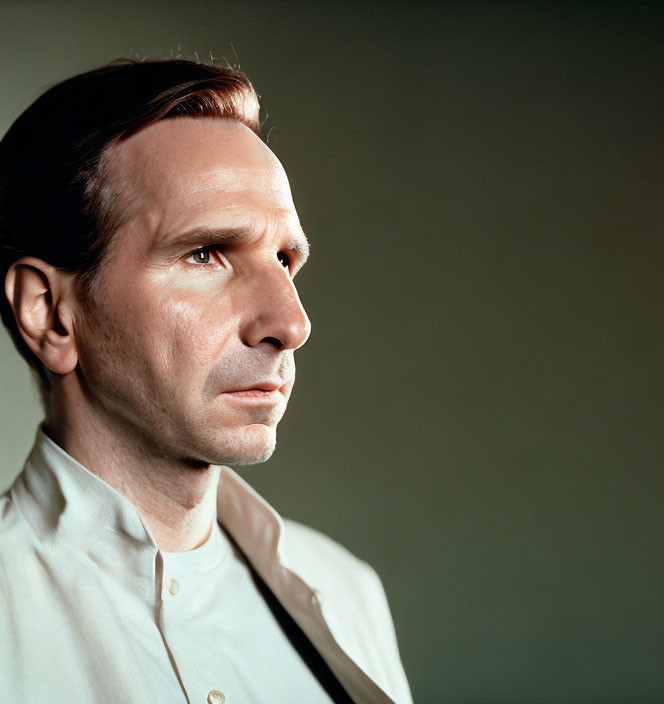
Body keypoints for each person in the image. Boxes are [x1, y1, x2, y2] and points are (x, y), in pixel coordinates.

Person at [0, 57, 412, 704]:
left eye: (284, 259)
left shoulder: (346, 594)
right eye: (205, 253)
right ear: (50, 314)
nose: (291, 323)